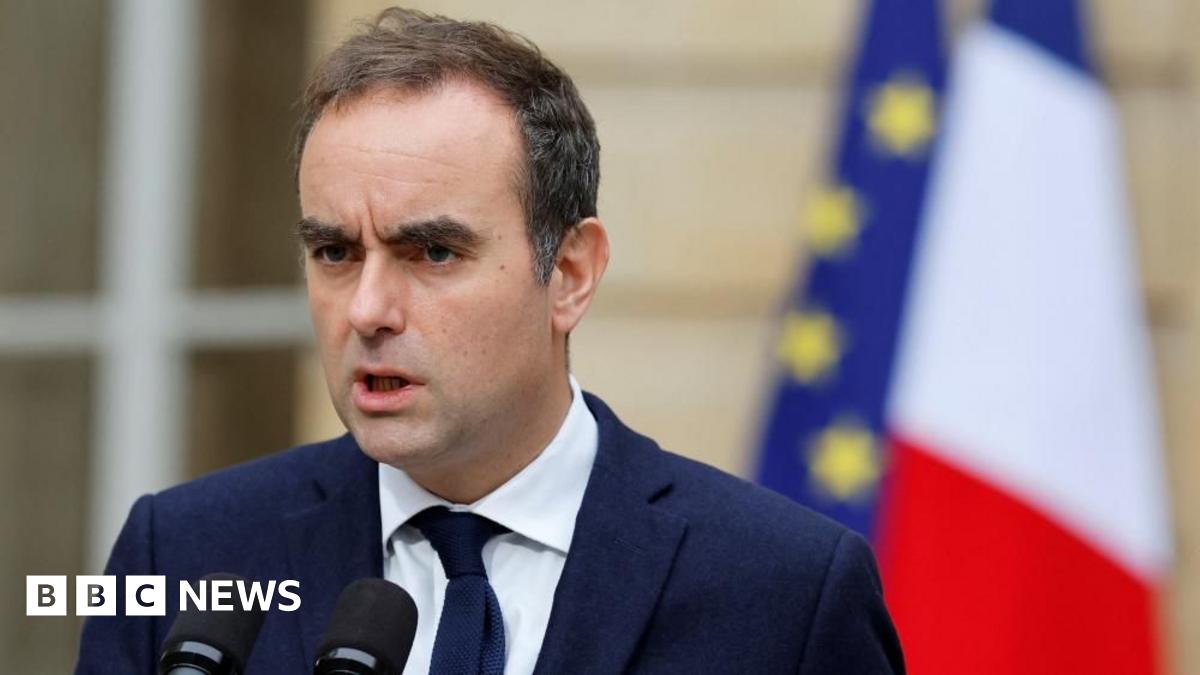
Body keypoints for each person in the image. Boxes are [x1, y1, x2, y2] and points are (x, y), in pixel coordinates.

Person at [76, 8, 904, 674]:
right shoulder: (186, 551)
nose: (367, 308)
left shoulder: (784, 589)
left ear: (571, 272)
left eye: (432, 251)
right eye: (335, 252)